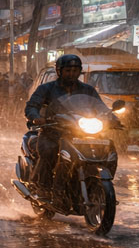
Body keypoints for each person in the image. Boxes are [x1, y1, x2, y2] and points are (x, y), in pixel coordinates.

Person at [24, 54, 116, 192]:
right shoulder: (46, 89)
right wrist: (36, 117)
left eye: (75, 71)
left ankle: (96, 182)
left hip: (81, 132)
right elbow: (31, 106)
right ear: (59, 71)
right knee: (49, 151)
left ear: (79, 72)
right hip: (53, 132)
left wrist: (112, 118)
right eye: (68, 71)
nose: (71, 74)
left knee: (108, 148)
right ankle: (42, 187)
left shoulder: (88, 90)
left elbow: (100, 107)